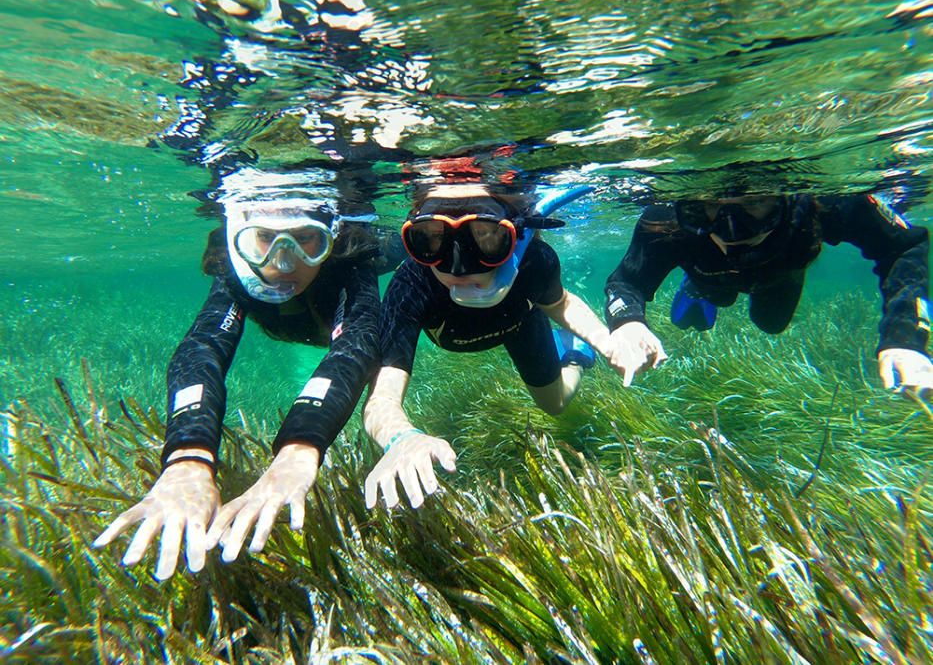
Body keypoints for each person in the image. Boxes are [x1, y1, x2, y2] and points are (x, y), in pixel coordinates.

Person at [93, 167, 382, 580]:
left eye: (306, 241)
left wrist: (300, 446)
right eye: (264, 239)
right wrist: (188, 458)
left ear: (328, 240)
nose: (283, 263)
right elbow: (202, 347)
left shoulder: (348, 262)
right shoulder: (235, 273)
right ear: (235, 235)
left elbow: (357, 342)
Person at [361, 180, 629, 511]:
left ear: (513, 236)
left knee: (555, 403)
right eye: (432, 238)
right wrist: (400, 438)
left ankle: (573, 356)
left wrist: (607, 342)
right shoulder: (411, 286)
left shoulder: (534, 260)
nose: (458, 266)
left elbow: (560, 304)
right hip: (506, 323)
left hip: (521, 323)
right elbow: (381, 399)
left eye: (486, 237)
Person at [602, 190, 933, 391]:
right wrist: (628, 322)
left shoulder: (822, 201)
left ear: (786, 199)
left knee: (771, 323)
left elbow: (902, 247)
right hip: (709, 275)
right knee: (718, 294)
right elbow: (626, 282)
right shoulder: (667, 220)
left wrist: (904, 337)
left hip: (780, 274)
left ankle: (700, 286)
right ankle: (697, 288)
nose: (731, 229)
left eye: (755, 202)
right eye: (712, 206)